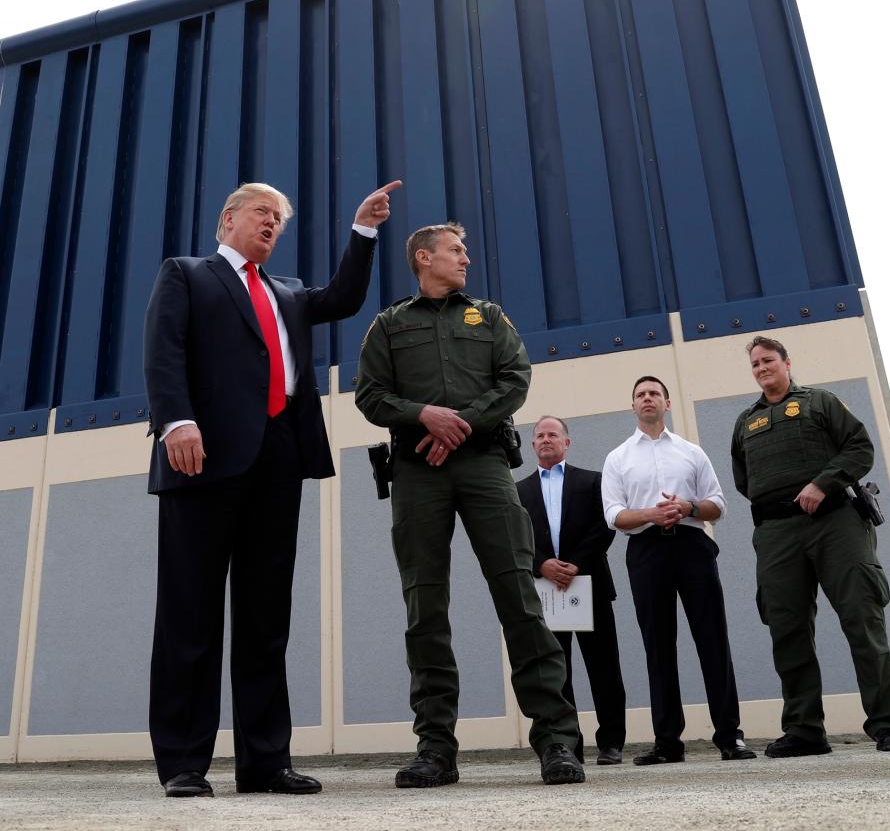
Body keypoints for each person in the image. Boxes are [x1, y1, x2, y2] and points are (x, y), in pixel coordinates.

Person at [143, 179, 401, 798]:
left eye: (280, 220)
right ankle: (183, 762)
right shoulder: (187, 274)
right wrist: (176, 421)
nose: (272, 224)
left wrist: (363, 229)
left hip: (277, 464)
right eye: (263, 213)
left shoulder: (287, 292)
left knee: (266, 620)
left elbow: (342, 297)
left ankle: (264, 761)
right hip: (200, 459)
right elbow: (163, 349)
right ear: (228, 218)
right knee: (191, 616)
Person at [355, 222, 585, 788]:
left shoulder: (490, 316)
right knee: (424, 607)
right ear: (423, 257)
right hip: (416, 472)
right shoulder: (389, 324)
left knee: (519, 595)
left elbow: (515, 379)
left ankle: (556, 739)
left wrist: (460, 424)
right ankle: (435, 748)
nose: (465, 259)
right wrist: (422, 417)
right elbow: (369, 395)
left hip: (484, 464)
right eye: (456, 251)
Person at [730, 336, 890, 756]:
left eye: (768, 360)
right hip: (776, 533)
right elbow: (744, 481)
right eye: (754, 364)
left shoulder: (821, 402)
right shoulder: (745, 422)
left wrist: (822, 484)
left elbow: (860, 448)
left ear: (787, 362)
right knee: (787, 630)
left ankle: (886, 725)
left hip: (834, 524)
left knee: (862, 621)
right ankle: (804, 730)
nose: (761, 368)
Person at [602, 376, 757, 765]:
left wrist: (687, 507)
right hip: (646, 550)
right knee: (658, 646)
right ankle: (668, 742)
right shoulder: (618, 458)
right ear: (633, 406)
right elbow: (613, 515)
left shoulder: (692, 452)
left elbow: (718, 504)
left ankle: (729, 736)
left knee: (713, 640)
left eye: (654, 393)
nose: (647, 398)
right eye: (640, 394)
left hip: (692, 546)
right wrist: (651, 514)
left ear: (666, 403)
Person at [515, 416, 628, 765]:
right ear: (532, 445)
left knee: (604, 667)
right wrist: (543, 564)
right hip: (546, 591)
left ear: (567, 442)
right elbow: (513, 537)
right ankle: (567, 745)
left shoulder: (592, 481)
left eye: (553, 434)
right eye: (539, 436)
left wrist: (575, 563)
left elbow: (604, 526)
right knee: (557, 672)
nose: (546, 439)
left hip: (589, 584)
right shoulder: (518, 491)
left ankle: (611, 743)